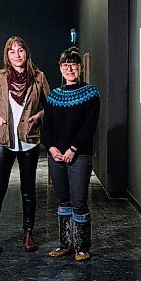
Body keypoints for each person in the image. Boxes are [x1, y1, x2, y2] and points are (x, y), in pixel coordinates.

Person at [0, 36, 50, 254]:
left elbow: (52, 105)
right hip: (3, 142)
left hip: (29, 142)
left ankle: (28, 234)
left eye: (20, 50)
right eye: (12, 51)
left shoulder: (38, 77)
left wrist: (39, 115)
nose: (17, 55)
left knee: (29, 191)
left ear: (26, 52)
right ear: (7, 55)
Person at [41, 47, 100, 262]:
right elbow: (46, 127)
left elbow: (89, 125)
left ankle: (82, 247)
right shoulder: (53, 95)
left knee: (79, 202)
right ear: (60, 68)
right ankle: (65, 244)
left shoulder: (91, 94)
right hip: (56, 156)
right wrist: (52, 148)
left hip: (79, 155)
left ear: (80, 68)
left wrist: (73, 149)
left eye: (73, 64)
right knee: (63, 202)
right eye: (65, 65)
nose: (69, 68)